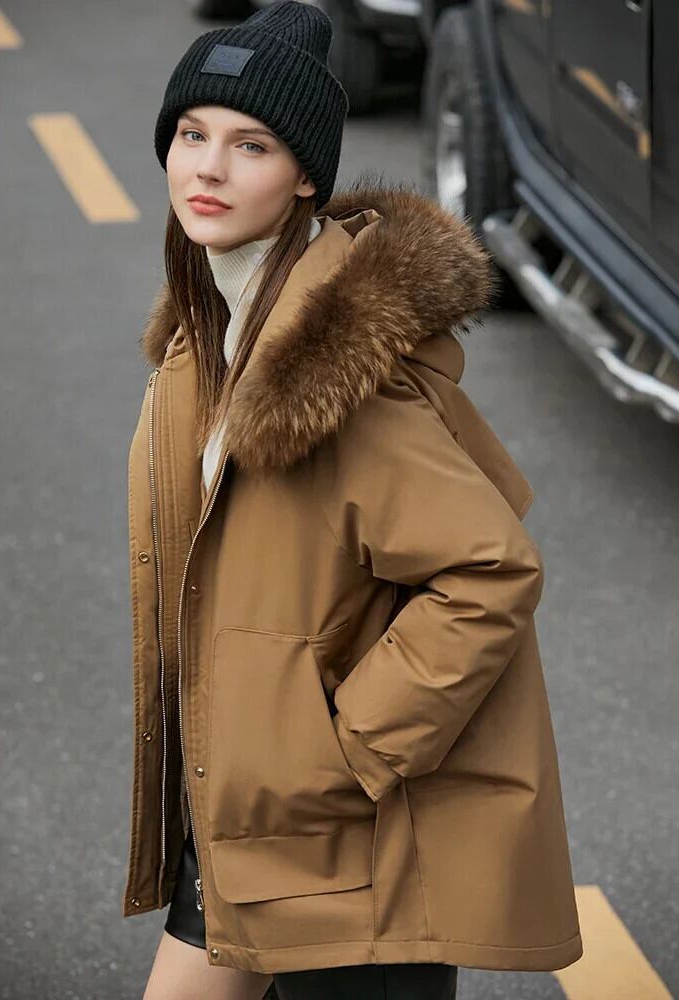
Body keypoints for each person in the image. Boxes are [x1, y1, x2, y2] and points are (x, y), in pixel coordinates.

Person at [124, 3, 583, 998]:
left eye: (251, 145)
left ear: (306, 177)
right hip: (248, 818)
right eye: (192, 134)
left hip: (349, 853)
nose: (208, 168)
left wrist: (348, 746)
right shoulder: (214, 328)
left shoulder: (336, 377)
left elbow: (489, 572)